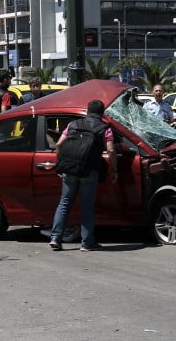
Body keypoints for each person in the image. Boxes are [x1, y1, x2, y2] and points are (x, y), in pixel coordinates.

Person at [49, 100, 118, 252]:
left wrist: (60, 165)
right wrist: (115, 170)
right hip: (89, 170)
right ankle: (86, 243)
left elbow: (59, 145)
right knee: (87, 206)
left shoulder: (73, 124)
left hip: (69, 169)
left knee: (64, 203)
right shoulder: (105, 128)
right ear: (102, 113)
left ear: (87, 111)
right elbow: (111, 150)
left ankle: (55, 238)